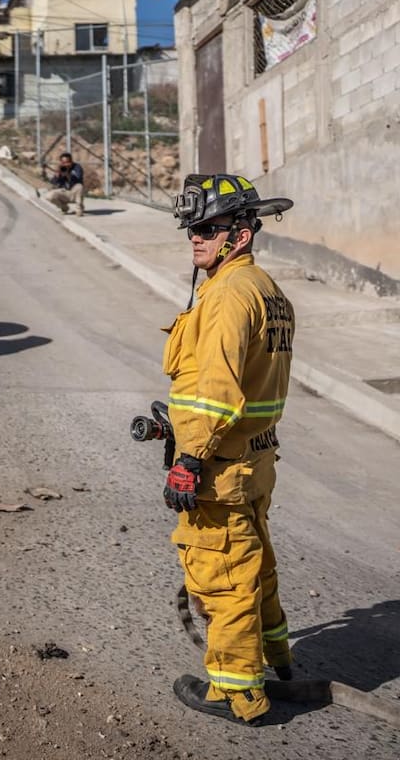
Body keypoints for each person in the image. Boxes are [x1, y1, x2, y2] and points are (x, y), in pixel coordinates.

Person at [160, 173, 296, 725]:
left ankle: (237, 693)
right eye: (192, 227)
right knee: (255, 564)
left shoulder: (227, 296)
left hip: (219, 465)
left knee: (223, 575)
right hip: (254, 459)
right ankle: (277, 661)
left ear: (239, 235)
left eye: (209, 228)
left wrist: (188, 460)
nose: (196, 237)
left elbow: (215, 390)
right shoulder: (266, 290)